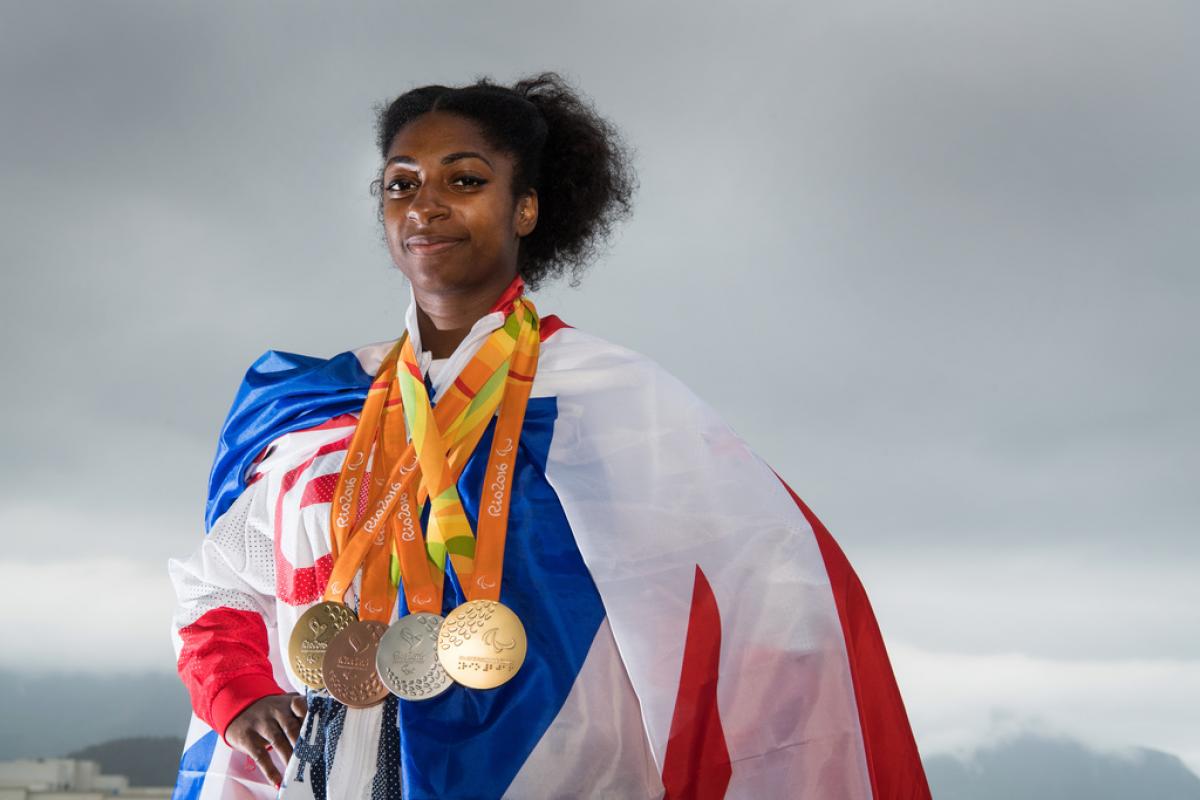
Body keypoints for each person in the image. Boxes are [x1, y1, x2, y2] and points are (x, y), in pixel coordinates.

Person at [169, 72, 930, 800]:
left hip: (561, 775)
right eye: (402, 184)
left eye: (464, 180)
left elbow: (767, 588)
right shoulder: (317, 409)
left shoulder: (616, 402)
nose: (425, 205)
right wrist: (238, 697)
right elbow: (222, 583)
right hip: (335, 769)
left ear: (524, 208)